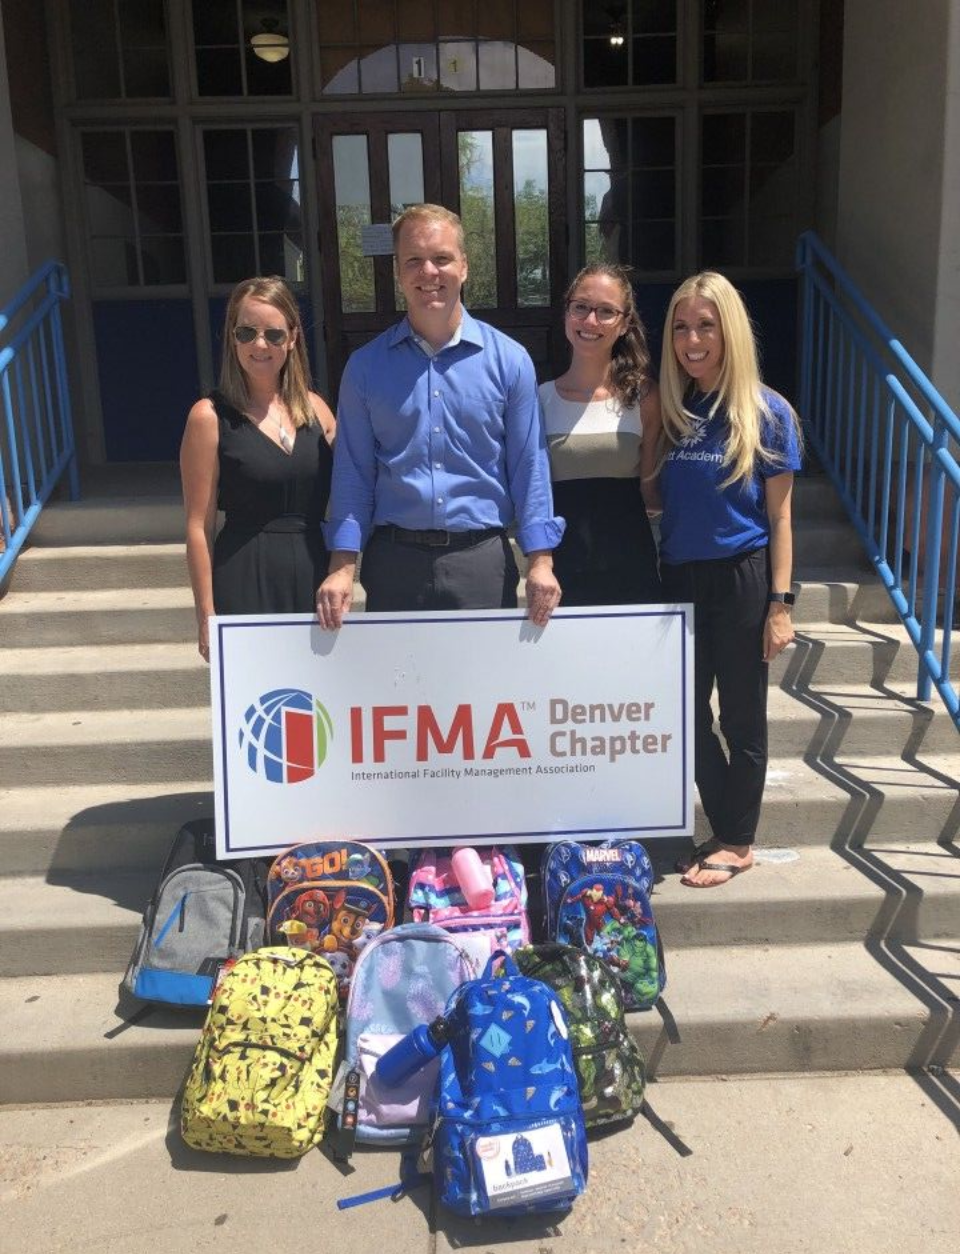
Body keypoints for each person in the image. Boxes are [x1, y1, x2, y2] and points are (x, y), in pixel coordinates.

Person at [315, 203, 564, 630]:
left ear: (464, 267)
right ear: (398, 272)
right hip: (394, 563)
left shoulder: (510, 361)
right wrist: (342, 566)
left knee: (484, 675)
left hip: (482, 562)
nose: (428, 271)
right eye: (414, 260)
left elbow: (529, 466)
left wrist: (540, 560)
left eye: (442, 258)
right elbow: (354, 471)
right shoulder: (364, 368)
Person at [657, 271, 802, 888]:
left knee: (742, 719)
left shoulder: (768, 412)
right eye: (681, 327)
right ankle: (727, 829)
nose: (692, 340)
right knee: (685, 717)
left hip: (742, 576)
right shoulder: (670, 408)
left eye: (705, 326)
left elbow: (781, 517)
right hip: (678, 580)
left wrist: (780, 604)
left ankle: (738, 842)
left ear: (730, 332)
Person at [180, 276, 336, 661]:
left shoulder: (317, 409)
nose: (260, 345)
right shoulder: (208, 417)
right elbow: (198, 526)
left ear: (293, 337)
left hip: (315, 576)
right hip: (244, 575)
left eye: (274, 334)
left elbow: (351, 492)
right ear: (232, 338)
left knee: (316, 694)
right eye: (246, 332)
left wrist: (342, 569)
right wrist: (206, 615)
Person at [540, 263, 662, 605]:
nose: (590, 321)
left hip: (631, 567)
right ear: (566, 313)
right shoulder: (539, 400)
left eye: (606, 311)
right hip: (561, 570)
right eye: (581, 307)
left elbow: (650, 492)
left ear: (624, 324)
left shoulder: (645, 397)